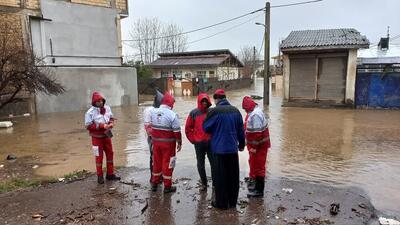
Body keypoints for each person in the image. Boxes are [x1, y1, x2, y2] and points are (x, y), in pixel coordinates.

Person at [203, 89, 245, 209]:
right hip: (232, 149)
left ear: (216, 99)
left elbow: (206, 128)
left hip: (218, 150)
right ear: (225, 97)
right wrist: (241, 145)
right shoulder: (236, 111)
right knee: (233, 177)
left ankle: (221, 203)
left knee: (220, 177)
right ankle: (232, 202)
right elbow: (241, 131)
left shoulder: (214, 111)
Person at [149, 92, 182, 193]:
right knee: (168, 164)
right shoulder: (173, 115)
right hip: (168, 144)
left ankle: (154, 184)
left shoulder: (153, 112)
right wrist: (179, 143)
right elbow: (177, 132)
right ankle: (167, 186)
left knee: (156, 162)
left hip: (156, 143)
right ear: (170, 103)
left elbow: (151, 126)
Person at [84, 92, 121, 184]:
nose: (100, 102)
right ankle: (100, 176)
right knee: (98, 157)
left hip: (106, 136)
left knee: (110, 154)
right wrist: (101, 126)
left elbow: (111, 117)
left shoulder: (107, 108)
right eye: (98, 101)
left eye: (101, 100)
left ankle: (110, 174)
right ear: (94, 102)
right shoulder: (90, 112)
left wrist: (111, 123)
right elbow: (88, 126)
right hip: (96, 138)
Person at [242, 96, 271, 197]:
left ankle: (259, 191)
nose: (245, 111)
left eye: (245, 109)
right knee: (258, 166)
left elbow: (257, 134)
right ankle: (257, 188)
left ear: (248, 107)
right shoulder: (256, 112)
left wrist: (254, 147)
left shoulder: (255, 115)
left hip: (259, 146)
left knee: (259, 168)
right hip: (260, 145)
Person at [185, 93, 212, 191]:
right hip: (199, 143)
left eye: (206, 101)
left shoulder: (212, 112)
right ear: (199, 102)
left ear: (208, 101)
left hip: (210, 142)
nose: (204, 103)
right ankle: (204, 184)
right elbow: (188, 128)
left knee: (214, 163)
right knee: (200, 164)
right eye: (202, 101)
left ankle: (215, 184)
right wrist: (193, 140)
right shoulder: (194, 113)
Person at [143, 90, 164, 179]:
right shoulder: (148, 110)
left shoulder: (160, 110)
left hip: (160, 137)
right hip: (153, 138)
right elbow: (148, 128)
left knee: (161, 157)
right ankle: (153, 177)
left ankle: (160, 175)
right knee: (154, 157)